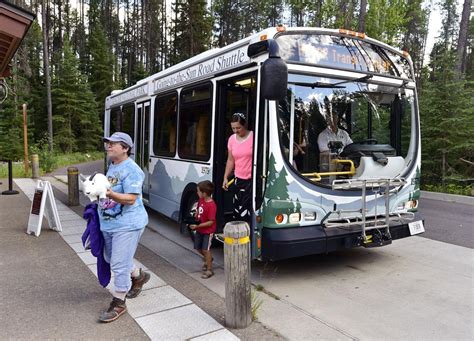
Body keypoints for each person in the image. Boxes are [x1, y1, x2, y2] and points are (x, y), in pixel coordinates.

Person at [97, 132, 150, 323]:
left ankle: (119, 301)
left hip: (128, 224)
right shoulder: (113, 166)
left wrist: (108, 193)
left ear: (125, 148)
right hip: (110, 223)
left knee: (118, 264)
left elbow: (131, 198)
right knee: (111, 258)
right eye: (108, 143)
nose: (108, 146)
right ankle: (139, 276)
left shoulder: (132, 169)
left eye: (113, 144)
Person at [222, 112, 253, 223]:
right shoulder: (231, 139)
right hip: (238, 180)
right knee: (238, 211)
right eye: (233, 128)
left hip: (252, 181)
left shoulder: (254, 137)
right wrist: (226, 177)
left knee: (247, 212)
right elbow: (231, 160)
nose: (235, 131)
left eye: (238, 128)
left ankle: (250, 237)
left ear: (244, 125)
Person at [189, 180, 217, 279]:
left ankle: (209, 269)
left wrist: (197, 226)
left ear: (204, 193)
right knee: (197, 247)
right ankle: (209, 258)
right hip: (200, 229)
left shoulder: (211, 205)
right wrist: (196, 214)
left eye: (198, 191)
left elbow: (211, 222)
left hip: (208, 231)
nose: (197, 193)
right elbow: (199, 210)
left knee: (206, 249)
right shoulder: (201, 200)